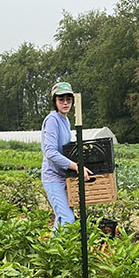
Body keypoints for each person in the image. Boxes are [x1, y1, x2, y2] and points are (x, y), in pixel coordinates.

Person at [41, 82, 91, 230]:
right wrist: (76, 166)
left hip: (64, 177)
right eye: (61, 99)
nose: (65, 103)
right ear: (54, 101)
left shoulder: (65, 120)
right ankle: (57, 251)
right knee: (68, 219)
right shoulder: (52, 120)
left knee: (61, 218)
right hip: (53, 178)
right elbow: (49, 151)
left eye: (68, 99)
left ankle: (52, 251)